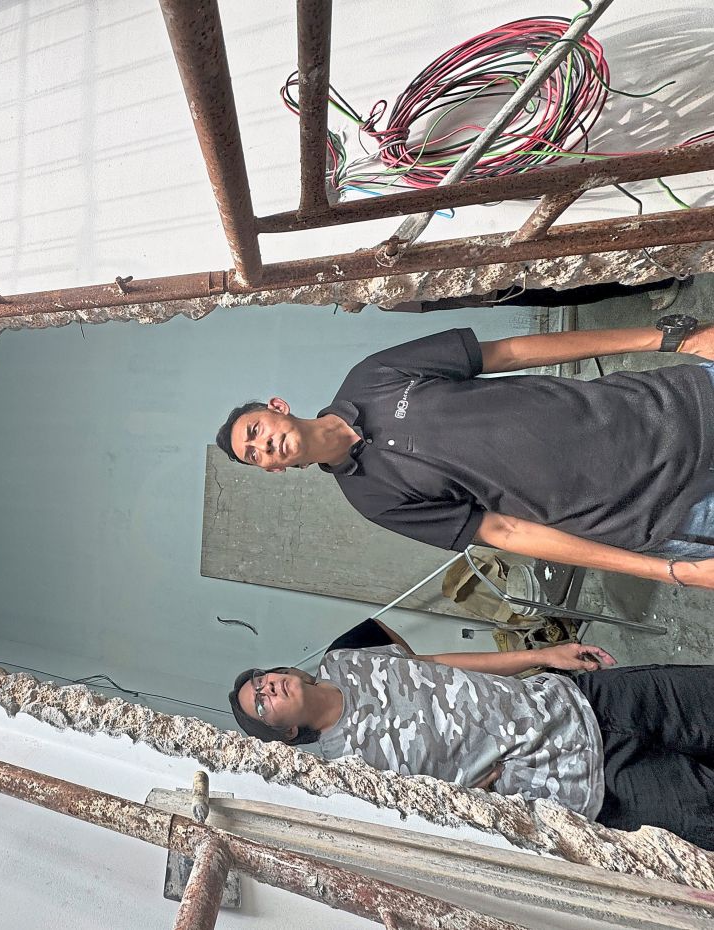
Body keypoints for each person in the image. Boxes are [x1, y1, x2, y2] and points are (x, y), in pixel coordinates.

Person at [214, 315, 714, 589]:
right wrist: (670, 571)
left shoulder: (374, 376)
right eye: (255, 455)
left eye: (256, 429)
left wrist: (670, 338)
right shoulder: (372, 500)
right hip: (669, 513)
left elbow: (510, 352)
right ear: (277, 470)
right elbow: (507, 532)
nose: (264, 445)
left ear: (279, 406)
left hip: (674, 407)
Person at [229, 643, 714, 849]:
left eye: (263, 680)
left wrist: (542, 655)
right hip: (587, 782)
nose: (268, 688)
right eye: (262, 705)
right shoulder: (353, 773)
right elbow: (446, 819)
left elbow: (437, 663)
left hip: (580, 699)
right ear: (287, 735)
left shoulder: (344, 660)